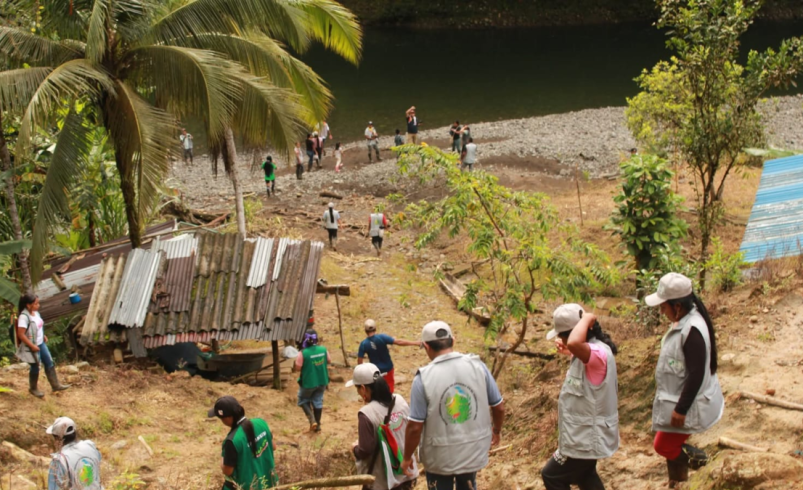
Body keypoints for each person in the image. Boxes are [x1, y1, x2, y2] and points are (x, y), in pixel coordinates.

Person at [402, 321, 505, 490]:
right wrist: (496, 431)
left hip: (439, 459)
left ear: (426, 346)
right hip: (472, 452)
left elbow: (415, 427)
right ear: (453, 340)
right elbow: (499, 407)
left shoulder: (423, 379)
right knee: (468, 484)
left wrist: (407, 458)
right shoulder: (478, 366)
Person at [646, 273, 723, 488]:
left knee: (663, 445)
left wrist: (681, 409)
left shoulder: (692, 331)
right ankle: (678, 482)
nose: (662, 312)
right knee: (671, 444)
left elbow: (697, 374)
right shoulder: (686, 321)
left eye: (664, 307)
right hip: (678, 399)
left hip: (688, 404)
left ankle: (709, 465)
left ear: (678, 306)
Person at [540, 304, 619, 490]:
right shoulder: (590, 352)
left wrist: (587, 319)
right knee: (585, 475)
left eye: (563, 336)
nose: (561, 340)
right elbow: (578, 350)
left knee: (551, 475)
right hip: (584, 436)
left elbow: (576, 344)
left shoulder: (597, 353)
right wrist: (570, 351)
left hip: (586, 439)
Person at [348, 363, 419, 490]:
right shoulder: (400, 400)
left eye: (357, 389)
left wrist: (355, 449)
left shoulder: (366, 413)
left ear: (363, 388)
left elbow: (365, 450)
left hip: (383, 482)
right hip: (407, 474)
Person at [208, 396, 278, 490]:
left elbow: (227, 471)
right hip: (270, 483)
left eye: (221, 418)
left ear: (228, 418)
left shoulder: (232, 441)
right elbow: (273, 446)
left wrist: (222, 461)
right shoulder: (261, 423)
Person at [16, 293, 70, 398]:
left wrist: (43, 335)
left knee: (49, 362)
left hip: (41, 343)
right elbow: (21, 334)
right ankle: (33, 388)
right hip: (32, 346)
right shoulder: (24, 317)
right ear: (28, 305)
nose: (38, 305)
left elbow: (38, 326)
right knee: (35, 366)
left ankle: (55, 385)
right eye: (36, 304)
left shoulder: (36, 313)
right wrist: (32, 346)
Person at [358, 319, 421, 393]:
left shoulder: (363, 344)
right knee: (389, 390)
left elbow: (360, 362)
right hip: (388, 369)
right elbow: (399, 342)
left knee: (377, 391)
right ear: (375, 329)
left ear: (365, 331)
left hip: (375, 372)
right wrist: (415, 343)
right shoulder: (382, 337)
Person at [46, 417, 102, 490]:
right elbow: (98, 459)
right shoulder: (90, 446)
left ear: (57, 438)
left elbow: (53, 488)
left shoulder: (59, 460)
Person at [293, 329, 331, 432]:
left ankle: (312, 420)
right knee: (318, 400)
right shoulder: (323, 349)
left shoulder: (303, 353)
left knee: (302, 400)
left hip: (308, 383)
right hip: (322, 381)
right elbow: (329, 360)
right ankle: (317, 425)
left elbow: (298, 368)